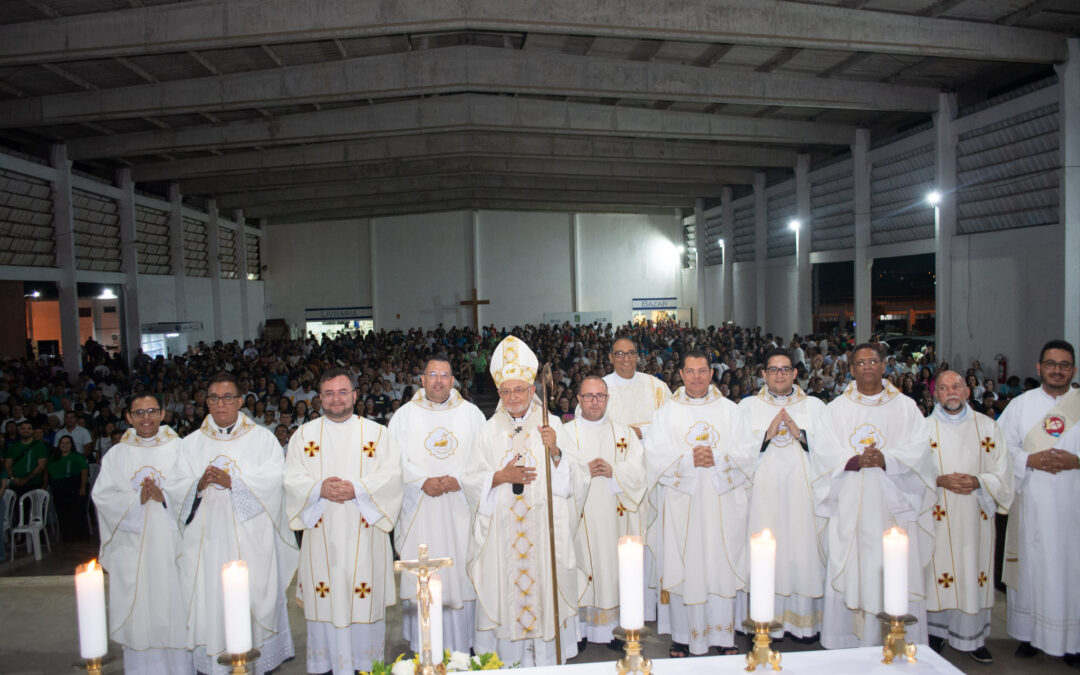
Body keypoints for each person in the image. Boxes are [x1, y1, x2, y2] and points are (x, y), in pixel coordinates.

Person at [462, 336, 588, 666]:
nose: (514, 397)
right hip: (503, 536)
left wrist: (557, 451)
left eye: (520, 390)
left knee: (545, 595)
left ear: (532, 390)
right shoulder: (487, 433)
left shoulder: (552, 424)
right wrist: (499, 477)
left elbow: (578, 478)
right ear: (499, 394)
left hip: (544, 536)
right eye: (507, 391)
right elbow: (471, 480)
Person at [811, 343, 937, 649]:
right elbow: (822, 452)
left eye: (872, 361)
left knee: (894, 568)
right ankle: (847, 645)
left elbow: (921, 450)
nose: (867, 367)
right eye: (860, 363)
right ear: (851, 369)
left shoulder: (906, 407)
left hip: (893, 506)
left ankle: (896, 640)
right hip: (851, 507)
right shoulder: (836, 409)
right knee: (853, 568)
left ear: (884, 366)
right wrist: (854, 460)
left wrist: (887, 459)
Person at [174, 372, 299, 675]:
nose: (220, 404)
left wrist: (235, 483)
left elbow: (275, 481)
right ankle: (214, 658)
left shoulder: (262, 439)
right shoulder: (191, 444)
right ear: (206, 401)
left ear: (240, 401)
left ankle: (256, 657)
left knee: (252, 595)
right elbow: (175, 486)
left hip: (250, 537)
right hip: (208, 540)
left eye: (228, 397)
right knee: (211, 593)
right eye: (214, 398)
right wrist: (197, 484)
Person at [284, 367, 403, 675]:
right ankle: (325, 666)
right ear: (318, 398)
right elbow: (291, 480)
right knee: (326, 602)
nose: (336, 399)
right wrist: (318, 488)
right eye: (328, 393)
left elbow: (392, 477)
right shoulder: (303, 435)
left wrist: (357, 489)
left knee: (363, 602)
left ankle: (366, 666)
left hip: (365, 535)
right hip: (321, 533)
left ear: (354, 394)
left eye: (342, 392)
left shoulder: (378, 434)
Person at [648, 349, 752, 657]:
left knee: (719, 565)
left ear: (712, 373)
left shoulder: (731, 411)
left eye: (702, 371)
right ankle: (683, 635)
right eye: (690, 371)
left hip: (722, 505)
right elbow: (653, 457)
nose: (697, 377)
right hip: (683, 504)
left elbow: (748, 453)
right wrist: (688, 460)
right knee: (685, 563)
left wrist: (718, 459)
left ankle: (723, 637)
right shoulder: (666, 412)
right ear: (680, 374)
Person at [390, 355, 485, 655]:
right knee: (425, 572)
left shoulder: (472, 415)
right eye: (433, 374)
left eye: (445, 375)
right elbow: (392, 462)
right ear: (421, 379)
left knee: (461, 572)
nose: (439, 380)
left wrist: (459, 478)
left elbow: (484, 459)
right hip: (421, 512)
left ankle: (464, 643)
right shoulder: (403, 417)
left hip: (459, 509)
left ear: (454, 379)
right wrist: (420, 482)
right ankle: (424, 644)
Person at [92, 392, 192, 674]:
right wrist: (135, 499)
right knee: (139, 611)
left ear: (163, 414)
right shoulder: (117, 454)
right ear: (128, 417)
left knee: (173, 604)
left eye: (152, 411)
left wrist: (165, 495)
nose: (146, 418)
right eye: (139, 413)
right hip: (132, 546)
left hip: (171, 545)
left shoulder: (180, 448)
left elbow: (191, 487)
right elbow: (103, 496)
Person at [998, 340, 1080, 665]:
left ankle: (1073, 641)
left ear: (1073, 369)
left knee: (1071, 571)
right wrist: (1029, 459)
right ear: (1039, 367)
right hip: (1031, 505)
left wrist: (1077, 461)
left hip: (1073, 507)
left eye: (1064, 364)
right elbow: (1000, 449)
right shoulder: (1020, 406)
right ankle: (1030, 636)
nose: (1057, 370)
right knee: (1033, 568)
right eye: (1051, 364)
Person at [737, 348, 827, 640]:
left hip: (802, 497)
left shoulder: (815, 407)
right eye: (773, 369)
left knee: (800, 549)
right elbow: (734, 451)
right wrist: (764, 435)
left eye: (785, 369)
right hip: (762, 497)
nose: (779, 374)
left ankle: (802, 625)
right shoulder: (747, 407)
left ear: (795, 373)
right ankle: (763, 621)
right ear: (763, 374)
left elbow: (830, 449)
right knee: (764, 554)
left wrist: (803, 436)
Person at [924, 371, 1013, 664]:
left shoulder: (988, 427)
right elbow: (910, 472)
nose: (951, 392)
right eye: (944, 388)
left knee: (972, 572)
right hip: (937, 516)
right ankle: (935, 633)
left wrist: (979, 482)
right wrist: (938, 480)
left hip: (977, 516)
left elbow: (1003, 471)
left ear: (967, 391)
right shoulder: (923, 430)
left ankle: (973, 639)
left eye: (957, 387)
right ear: (935, 394)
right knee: (938, 576)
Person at [565, 375, 646, 650]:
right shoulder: (566, 434)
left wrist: (615, 471)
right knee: (582, 567)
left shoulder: (624, 433)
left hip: (615, 517)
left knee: (612, 568)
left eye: (600, 395)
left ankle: (613, 630)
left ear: (608, 398)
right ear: (578, 399)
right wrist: (583, 471)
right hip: (581, 517)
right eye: (588, 396)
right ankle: (582, 631)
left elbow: (639, 470)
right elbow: (556, 473)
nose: (594, 402)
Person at [601, 337, 670, 620]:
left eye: (631, 353)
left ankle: (649, 607)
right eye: (620, 353)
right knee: (618, 541)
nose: (626, 359)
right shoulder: (600, 388)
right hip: (614, 480)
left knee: (650, 538)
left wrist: (639, 433)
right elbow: (589, 427)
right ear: (610, 357)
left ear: (638, 356)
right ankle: (620, 608)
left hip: (651, 476)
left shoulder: (656, 387)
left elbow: (670, 427)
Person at [47, 434, 89, 541]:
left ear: (71, 445)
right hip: (59, 486)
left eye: (67, 443)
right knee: (62, 511)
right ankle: (66, 535)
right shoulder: (54, 457)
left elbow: (84, 472)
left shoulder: (77, 456)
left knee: (76, 511)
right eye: (62, 443)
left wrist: (82, 487)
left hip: (74, 485)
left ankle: (79, 536)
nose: (64, 445)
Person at [5, 420, 48, 496]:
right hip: (15, 484)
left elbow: (41, 466)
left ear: (32, 431)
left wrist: (25, 480)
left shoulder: (40, 445)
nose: (26, 431)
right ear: (19, 430)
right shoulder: (12, 447)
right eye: (23, 429)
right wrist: (13, 478)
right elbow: (8, 465)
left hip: (34, 484)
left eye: (29, 429)